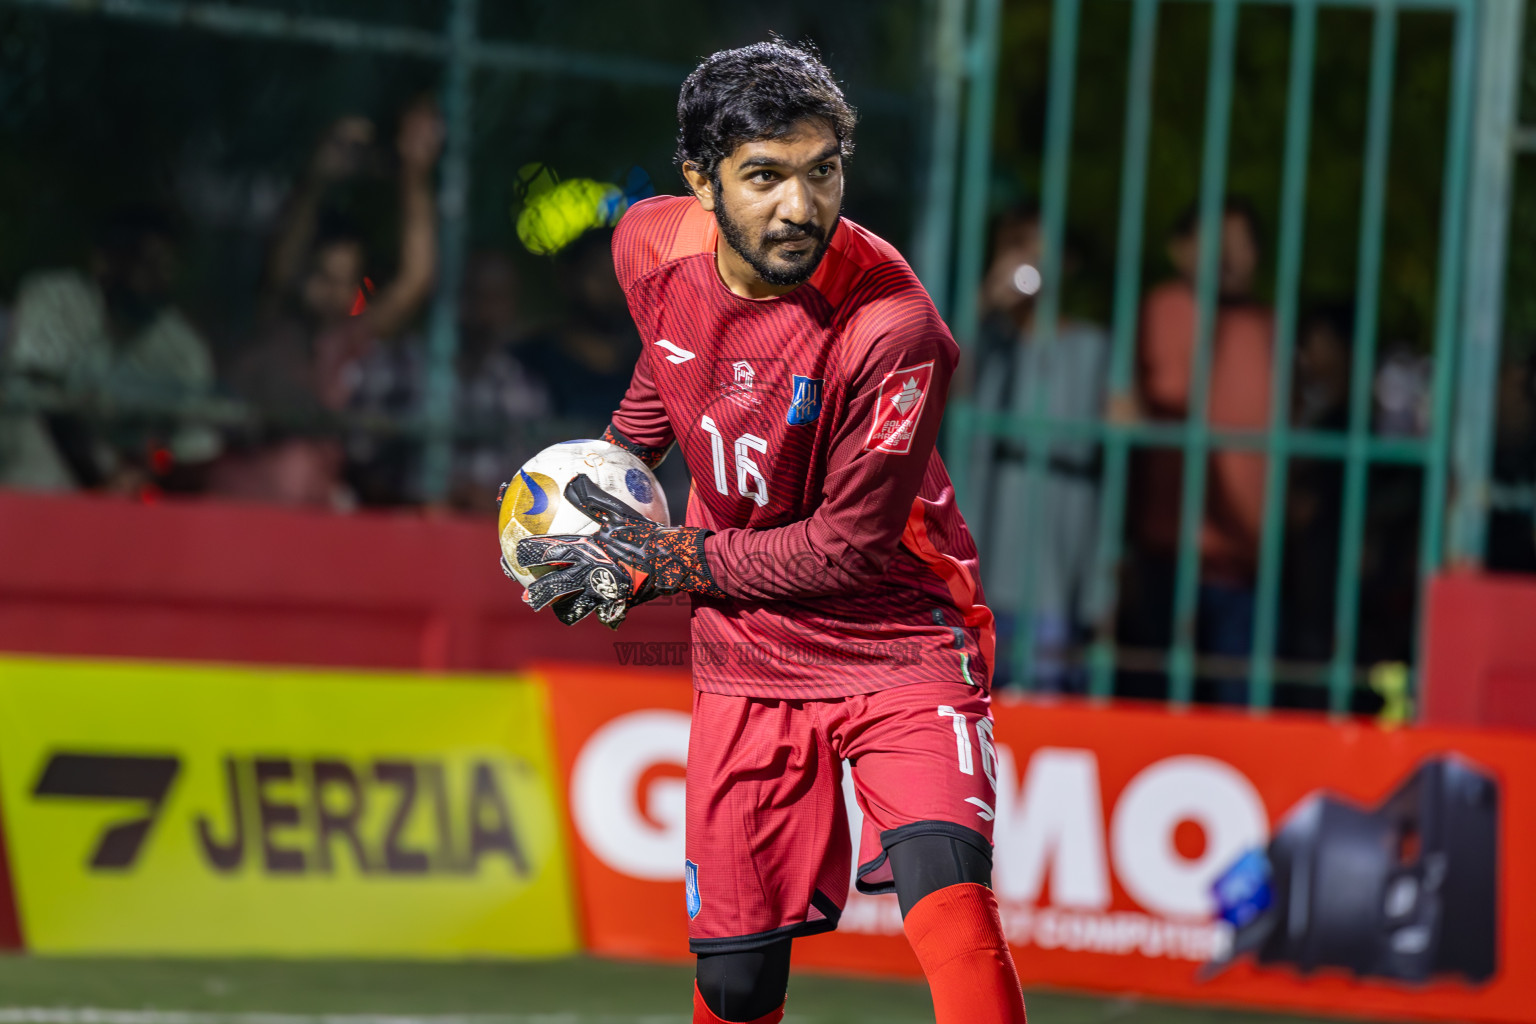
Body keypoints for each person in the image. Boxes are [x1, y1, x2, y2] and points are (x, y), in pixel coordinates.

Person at [509, 41, 1025, 1024]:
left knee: (952, 902)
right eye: (765, 176)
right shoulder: (648, 246)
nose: (801, 206)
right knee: (737, 984)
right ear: (701, 181)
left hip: (900, 638)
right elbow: (673, 366)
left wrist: (662, 560)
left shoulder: (892, 326)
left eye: (823, 169)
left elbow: (845, 550)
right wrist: (606, 481)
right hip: (747, 656)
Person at [212, 103, 442, 507]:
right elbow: (283, 262)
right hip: (238, 517)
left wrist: (414, 173)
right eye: (321, 276)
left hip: (311, 528)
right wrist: (318, 178)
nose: (331, 291)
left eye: (343, 282)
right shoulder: (271, 323)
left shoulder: (345, 341)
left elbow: (414, 281)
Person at [1129, 198, 1273, 705]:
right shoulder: (1154, 313)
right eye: (1217, 239)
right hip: (1166, 553)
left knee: (1240, 706)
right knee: (1159, 701)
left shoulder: (1272, 326)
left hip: (1249, 564)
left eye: (1242, 242)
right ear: (1181, 249)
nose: (1230, 255)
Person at [972, 203, 1107, 691]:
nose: (1025, 259)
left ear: (1066, 262)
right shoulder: (980, 340)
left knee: (1044, 701)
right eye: (1014, 245)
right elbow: (929, 388)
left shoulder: (1095, 348)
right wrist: (982, 304)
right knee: (967, 704)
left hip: (1057, 567)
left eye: (1037, 246)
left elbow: (1126, 438)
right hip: (974, 564)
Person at [0, 206, 218, 494]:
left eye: (167, 264)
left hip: (126, 510)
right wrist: (106, 474)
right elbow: (49, 404)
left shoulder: (183, 347)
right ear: (105, 261)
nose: (160, 276)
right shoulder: (55, 298)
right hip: (31, 492)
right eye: (146, 261)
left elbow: (184, 449)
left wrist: (151, 467)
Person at [447, 249, 552, 512]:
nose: (484, 310)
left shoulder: (526, 390)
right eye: (475, 295)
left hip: (491, 530)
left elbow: (537, 487)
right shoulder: (407, 368)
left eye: (497, 298)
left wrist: (491, 500)